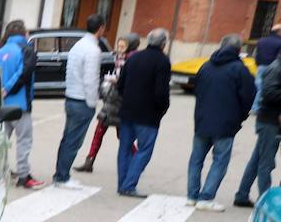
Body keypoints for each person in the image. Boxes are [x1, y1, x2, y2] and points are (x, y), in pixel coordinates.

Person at [187, 34, 255, 211]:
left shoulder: (206, 66)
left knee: (196, 159)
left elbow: (196, 89)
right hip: (226, 123)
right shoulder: (240, 70)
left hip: (202, 120)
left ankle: (192, 196)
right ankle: (206, 197)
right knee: (220, 161)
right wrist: (241, 116)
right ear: (239, 50)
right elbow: (248, 96)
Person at [114, 27, 173, 197]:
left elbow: (120, 85)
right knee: (144, 150)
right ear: (163, 44)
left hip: (128, 111)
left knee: (124, 148)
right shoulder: (162, 61)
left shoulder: (134, 58)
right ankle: (129, 185)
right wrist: (163, 109)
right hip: (148, 115)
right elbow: (161, 92)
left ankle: (122, 184)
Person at [50, 14, 107, 187]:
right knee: (74, 140)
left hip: (71, 96)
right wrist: (92, 102)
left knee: (68, 138)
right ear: (101, 28)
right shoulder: (93, 50)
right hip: (82, 100)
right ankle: (62, 176)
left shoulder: (78, 45)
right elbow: (91, 80)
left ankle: (60, 173)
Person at [75, 34, 138, 173]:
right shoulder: (119, 58)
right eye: (119, 45)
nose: (120, 49)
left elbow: (128, 81)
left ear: (130, 47)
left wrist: (116, 81)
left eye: (123, 46)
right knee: (100, 131)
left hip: (121, 102)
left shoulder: (132, 60)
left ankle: (136, 159)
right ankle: (89, 161)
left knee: (122, 135)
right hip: (112, 100)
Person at [0, 19, 43, 188]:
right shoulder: (26, 50)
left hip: (1, 105)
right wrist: (8, 89)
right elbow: (24, 73)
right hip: (20, 104)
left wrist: (1, 91)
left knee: (1, 140)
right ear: (24, 33)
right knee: (24, 140)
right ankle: (23, 175)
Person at [237, 21, 281, 206]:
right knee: (266, 162)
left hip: (270, 120)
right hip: (270, 121)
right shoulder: (277, 68)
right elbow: (269, 92)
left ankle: (242, 195)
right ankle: (267, 202)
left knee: (258, 159)